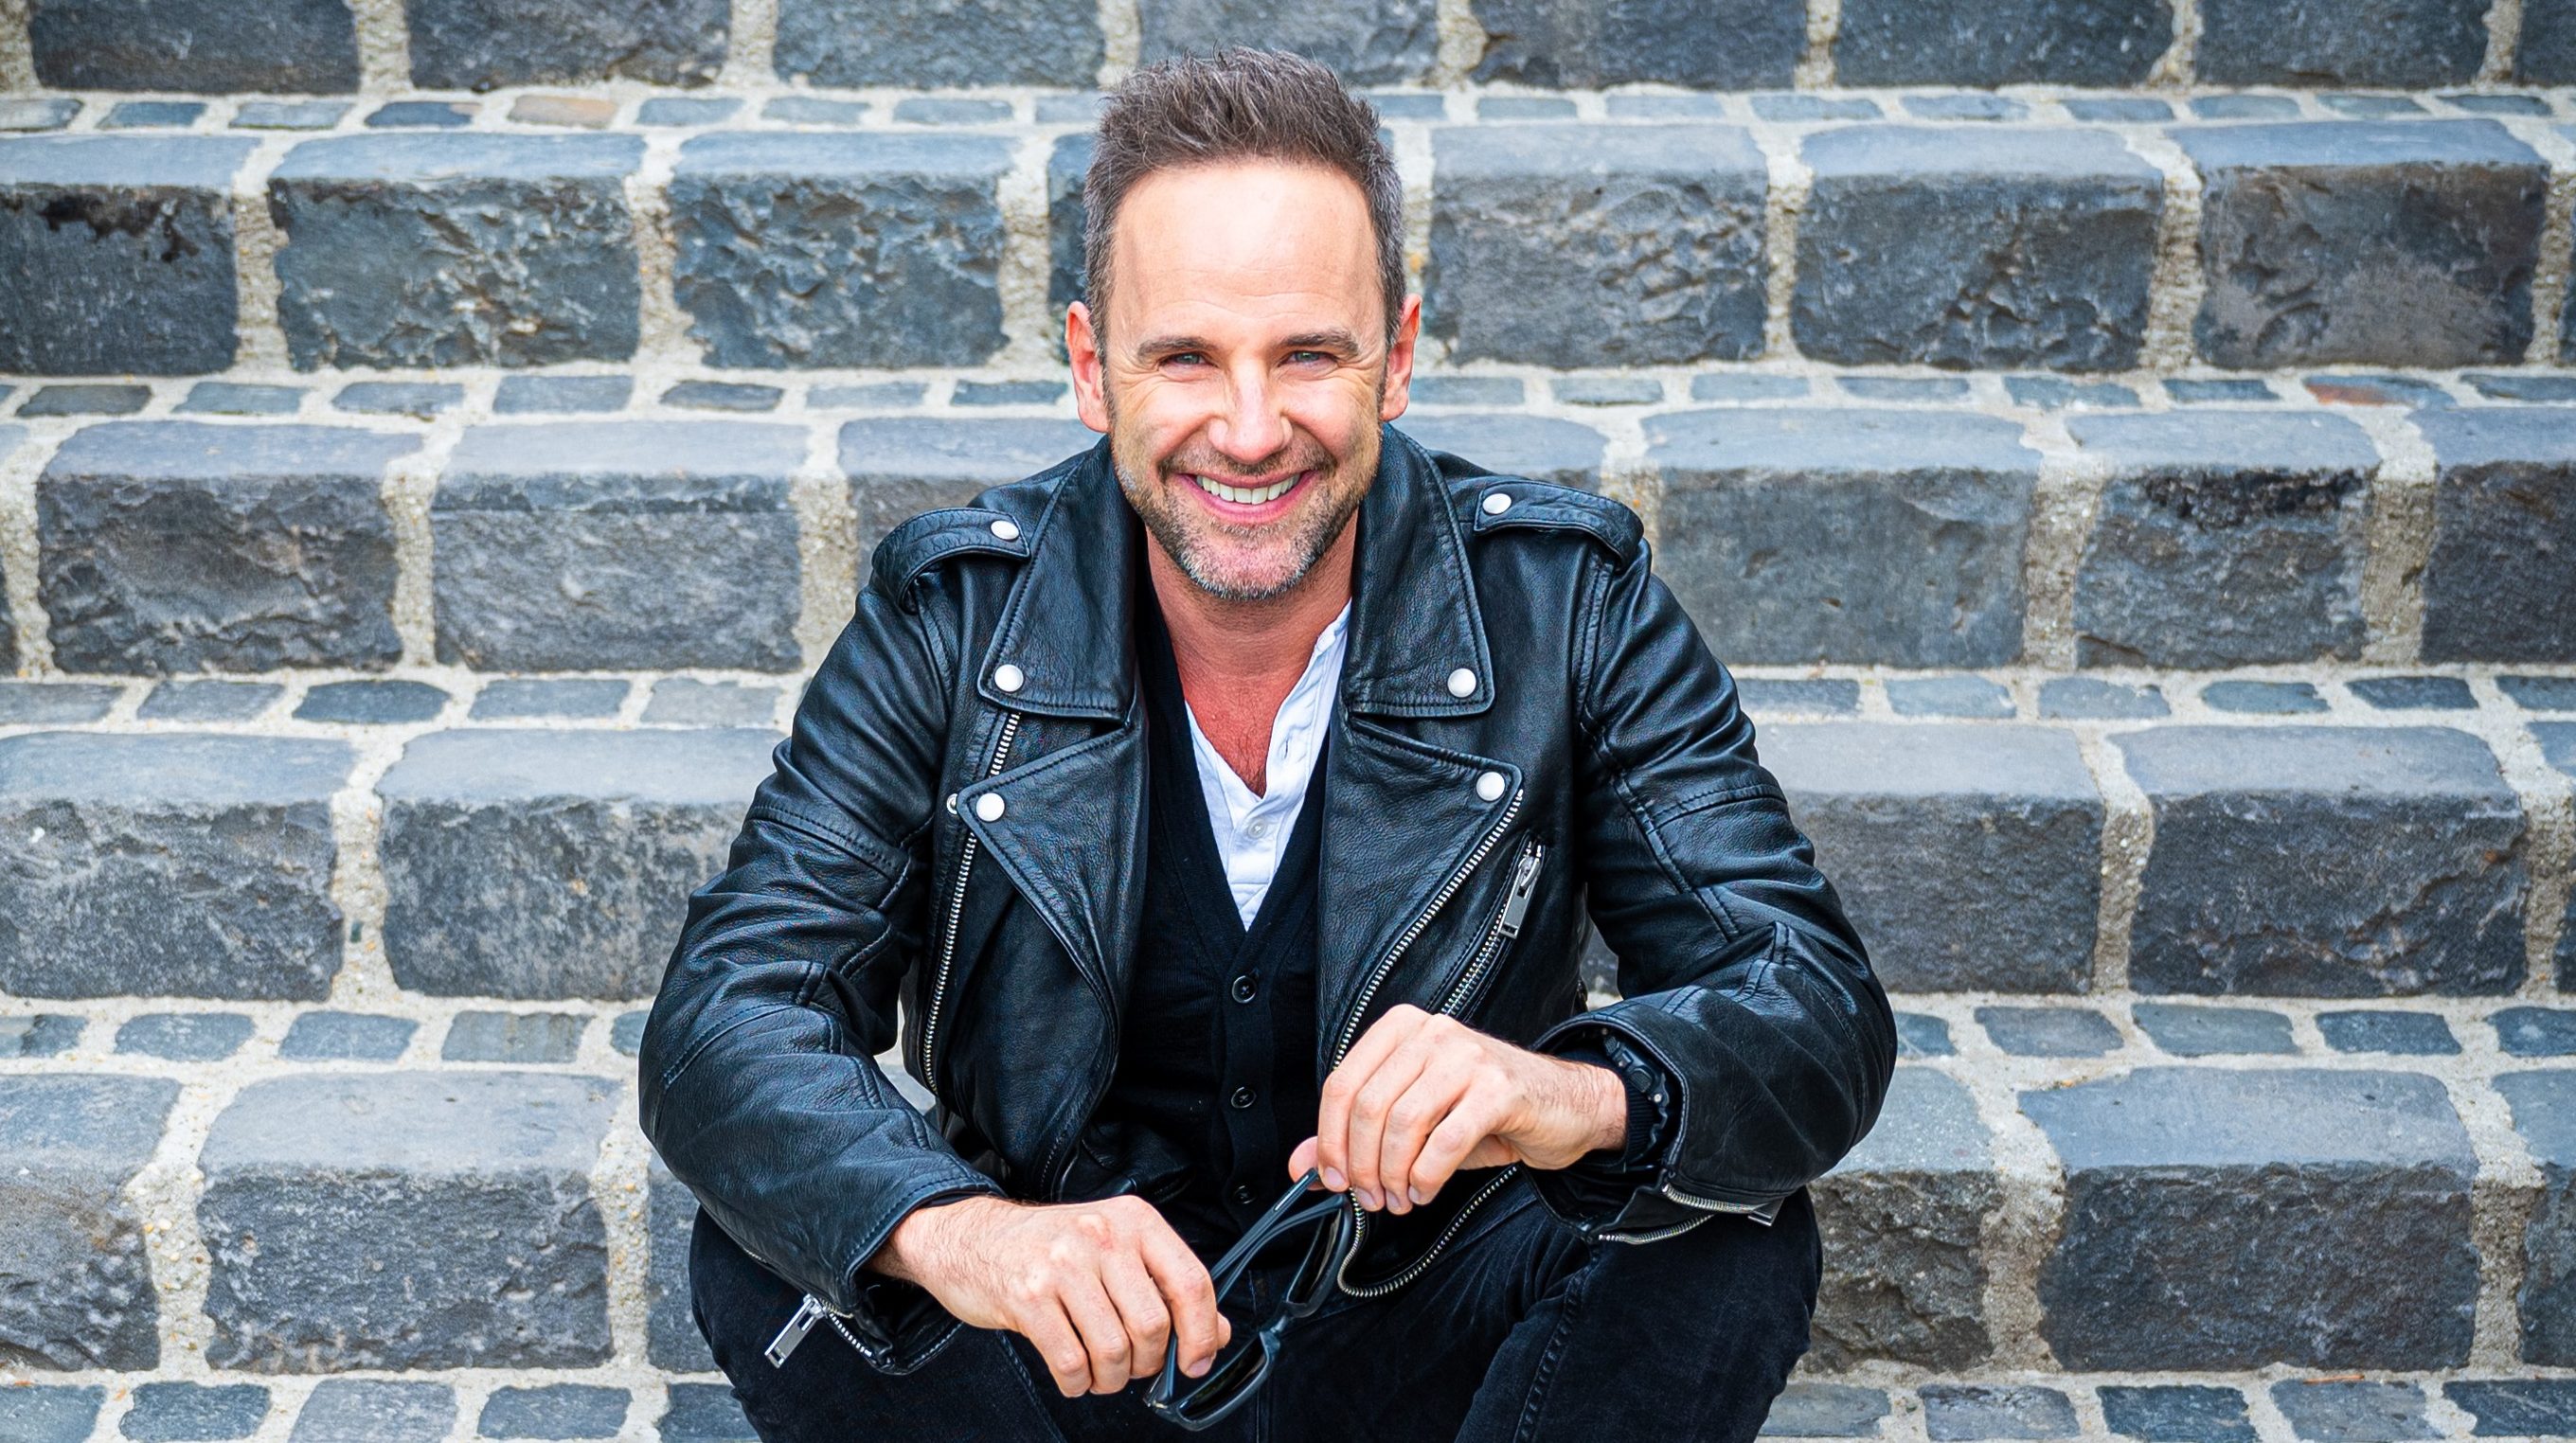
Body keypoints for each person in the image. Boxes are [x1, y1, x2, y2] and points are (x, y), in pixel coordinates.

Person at [639, 46, 1895, 1443]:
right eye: (1184, 357)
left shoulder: (1566, 604)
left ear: (1396, 358)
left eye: (1308, 355)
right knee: (793, 1243)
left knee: (1716, 1212)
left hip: (1420, 1320)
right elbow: (732, 1011)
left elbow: (1811, 1004)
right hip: (1074, 1343)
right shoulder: (954, 617)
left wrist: (1572, 1091)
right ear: (1092, 369)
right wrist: (965, 1233)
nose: (1248, 431)